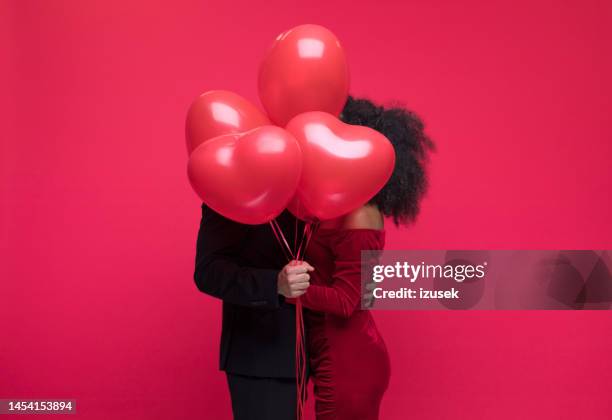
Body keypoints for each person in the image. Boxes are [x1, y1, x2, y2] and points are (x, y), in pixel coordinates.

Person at [299, 96, 434, 419]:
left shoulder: (361, 213)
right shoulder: (335, 207)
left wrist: (286, 289)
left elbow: (348, 301)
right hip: (331, 355)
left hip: (349, 362)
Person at [193, 207, 312, 420]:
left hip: (324, 350)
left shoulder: (316, 182)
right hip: (263, 354)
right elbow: (207, 271)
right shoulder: (230, 188)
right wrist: (274, 283)